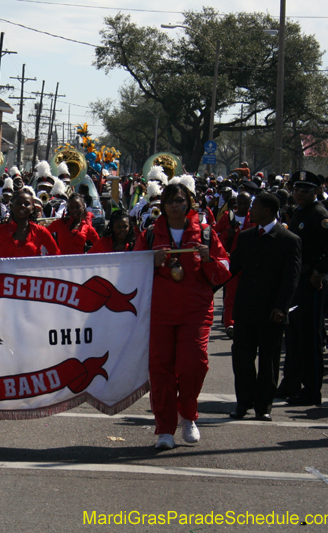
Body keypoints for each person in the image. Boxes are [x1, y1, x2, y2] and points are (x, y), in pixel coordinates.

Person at [133, 179, 231, 450]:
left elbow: (225, 268)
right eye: (170, 201)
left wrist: (208, 259)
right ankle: (165, 429)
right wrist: (151, 262)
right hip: (160, 310)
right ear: (163, 205)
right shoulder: (150, 234)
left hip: (195, 310)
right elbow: (132, 271)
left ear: (189, 203)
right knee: (160, 370)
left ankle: (187, 415)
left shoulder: (206, 233)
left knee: (194, 365)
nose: (175, 206)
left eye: (180, 201)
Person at [228, 193, 301, 421]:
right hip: (246, 309)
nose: (250, 210)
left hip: (272, 313)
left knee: (269, 361)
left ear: (267, 210)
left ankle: (263, 406)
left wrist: (282, 307)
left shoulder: (289, 239)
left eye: (255, 207)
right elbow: (231, 267)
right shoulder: (246, 237)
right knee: (242, 359)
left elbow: (291, 278)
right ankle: (243, 402)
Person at [277, 172, 328, 406]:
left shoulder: (320, 215)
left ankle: (311, 390)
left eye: (305, 190)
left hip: (311, 282)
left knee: (310, 338)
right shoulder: (300, 212)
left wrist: (320, 270)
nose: (299, 194)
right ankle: (291, 384)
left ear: (316, 191)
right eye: (297, 189)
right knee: (294, 336)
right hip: (297, 281)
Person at [214, 191, 255, 339]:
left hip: (250, 263)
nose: (243, 206)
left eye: (246, 203)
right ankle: (230, 324)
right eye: (240, 203)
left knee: (250, 295)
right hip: (232, 262)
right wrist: (227, 234)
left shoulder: (254, 217)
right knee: (231, 295)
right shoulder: (227, 217)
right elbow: (214, 235)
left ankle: (247, 323)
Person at [0, 189, 59, 259]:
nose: (22, 206)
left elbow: (56, 255)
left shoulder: (41, 231)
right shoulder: (0, 231)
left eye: (27, 204)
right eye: (18, 203)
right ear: (12, 207)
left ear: (32, 209)